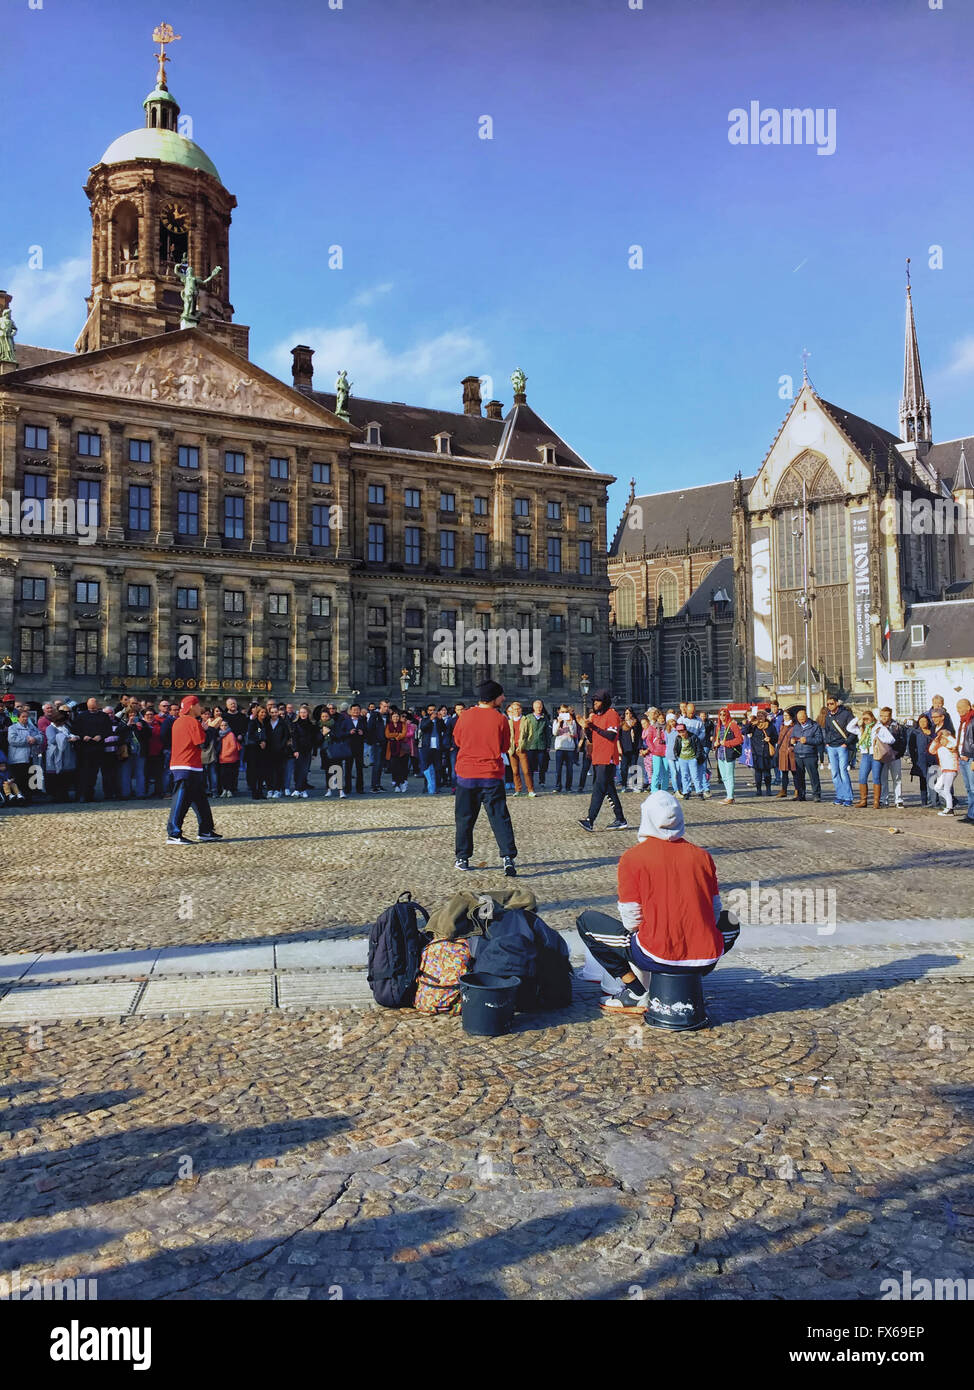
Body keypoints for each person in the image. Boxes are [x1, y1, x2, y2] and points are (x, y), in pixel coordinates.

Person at [576, 791, 736, 1016]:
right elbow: (716, 912)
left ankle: (635, 992)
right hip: (705, 958)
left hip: (655, 955)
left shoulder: (633, 858)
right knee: (732, 920)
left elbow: (632, 921)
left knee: (586, 922)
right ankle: (689, 979)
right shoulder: (702, 856)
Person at [452, 679, 518, 876]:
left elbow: (457, 740)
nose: (504, 698)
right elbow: (505, 746)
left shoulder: (464, 716)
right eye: (501, 695)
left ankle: (462, 857)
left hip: (467, 775)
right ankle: (508, 857)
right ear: (493, 698)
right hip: (491, 775)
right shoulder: (500, 719)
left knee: (464, 818)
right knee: (499, 817)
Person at [166, 696, 222, 845]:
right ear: (192, 707)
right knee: (181, 799)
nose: (200, 708)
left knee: (200, 800)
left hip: (189, 765)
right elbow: (203, 744)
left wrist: (205, 729)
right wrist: (212, 729)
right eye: (198, 705)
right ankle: (174, 833)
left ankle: (205, 830)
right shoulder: (190, 721)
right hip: (186, 765)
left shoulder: (180, 721)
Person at [578, 689, 629, 832]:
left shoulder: (611, 714)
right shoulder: (594, 716)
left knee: (598, 788)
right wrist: (586, 728)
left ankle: (590, 820)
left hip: (608, 758)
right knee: (609, 789)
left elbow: (611, 736)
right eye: (594, 701)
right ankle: (620, 819)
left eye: (598, 701)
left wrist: (592, 726)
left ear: (605, 702)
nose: (595, 703)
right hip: (597, 756)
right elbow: (592, 737)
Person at [822, 694, 857, 808]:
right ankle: (840, 795)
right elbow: (826, 730)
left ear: (836, 703)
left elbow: (853, 730)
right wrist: (826, 742)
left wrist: (845, 743)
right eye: (827, 704)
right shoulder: (828, 716)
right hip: (831, 746)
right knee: (834, 773)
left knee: (843, 772)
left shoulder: (846, 714)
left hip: (842, 746)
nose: (829, 706)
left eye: (831, 703)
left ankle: (848, 797)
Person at [854, 709, 893, 809]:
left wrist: (880, 738)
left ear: (872, 718)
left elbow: (892, 739)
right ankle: (863, 800)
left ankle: (876, 801)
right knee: (862, 777)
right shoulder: (862, 728)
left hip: (876, 755)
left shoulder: (879, 727)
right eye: (864, 719)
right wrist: (858, 719)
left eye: (868, 718)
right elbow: (849, 727)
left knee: (876, 778)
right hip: (865, 755)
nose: (866, 721)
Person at [877, 707, 908, 808]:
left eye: (886, 716)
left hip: (895, 756)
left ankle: (898, 799)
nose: (884, 718)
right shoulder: (877, 726)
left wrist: (899, 753)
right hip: (882, 756)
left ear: (890, 716)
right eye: (882, 716)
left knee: (897, 778)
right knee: (883, 779)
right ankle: (884, 799)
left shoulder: (897, 726)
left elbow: (903, 740)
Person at [792, 706, 824, 801]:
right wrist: (792, 740)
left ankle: (816, 794)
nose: (801, 721)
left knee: (813, 776)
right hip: (798, 753)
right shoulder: (796, 726)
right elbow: (793, 736)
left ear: (806, 716)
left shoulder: (815, 726)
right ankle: (801, 794)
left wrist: (807, 740)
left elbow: (819, 740)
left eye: (802, 719)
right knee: (799, 777)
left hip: (810, 754)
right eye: (799, 719)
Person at [712, 707, 743, 803]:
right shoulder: (718, 726)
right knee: (724, 776)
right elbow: (715, 739)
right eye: (720, 714)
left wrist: (726, 743)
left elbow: (740, 739)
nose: (722, 716)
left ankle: (730, 797)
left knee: (729, 776)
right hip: (720, 754)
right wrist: (715, 744)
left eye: (724, 714)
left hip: (729, 754)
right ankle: (728, 795)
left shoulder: (733, 725)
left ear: (728, 715)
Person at [907, 714, 937, 809]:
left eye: (925, 721)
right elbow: (911, 747)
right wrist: (913, 759)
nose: (923, 723)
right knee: (923, 780)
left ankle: (934, 801)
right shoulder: (915, 732)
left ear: (928, 722)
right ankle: (924, 801)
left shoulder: (933, 732)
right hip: (920, 759)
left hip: (933, 759)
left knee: (933, 780)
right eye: (921, 721)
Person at [506, 701, 534, 797]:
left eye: (518, 709)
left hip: (522, 748)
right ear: (511, 711)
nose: (516, 711)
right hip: (512, 748)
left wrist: (526, 745)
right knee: (515, 771)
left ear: (521, 709)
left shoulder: (526, 720)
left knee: (526, 770)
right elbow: (506, 735)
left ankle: (530, 789)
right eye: (514, 709)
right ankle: (518, 789)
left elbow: (530, 735)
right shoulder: (509, 722)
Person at [930, 727, 959, 816]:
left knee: (946, 789)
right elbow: (931, 750)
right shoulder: (939, 747)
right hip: (944, 771)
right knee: (937, 787)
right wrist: (936, 738)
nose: (942, 740)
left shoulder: (951, 746)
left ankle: (949, 808)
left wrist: (948, 735)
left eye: (943, 738)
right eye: (941, 739)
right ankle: (950, 800)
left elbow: (955, 743)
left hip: (951, 770)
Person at [418, 704, 446, 795]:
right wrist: (430, 720)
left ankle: (437, 786)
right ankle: (426, 786)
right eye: (430, 710)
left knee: (438, 767)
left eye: (434, 710)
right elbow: (423, 728)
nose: (432, 712)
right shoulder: (425, 719)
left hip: (437, 746)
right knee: (427, 767)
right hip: (427, 746)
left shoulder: (438, 720)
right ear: (427, 711)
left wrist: (441, 719)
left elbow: (444, 729)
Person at [552, 705, 578, 791]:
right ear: (559, 712)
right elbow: (554, 733)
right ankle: (558, 786)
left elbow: (574, 733)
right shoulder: (556, 721)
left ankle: (568, 786)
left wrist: (570, 724)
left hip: (569, 748)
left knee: (569, 769)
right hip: (560, 747)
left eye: (565, 712)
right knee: (558, 769)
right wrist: (559, 723)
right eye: (562, 712)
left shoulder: (572, 721)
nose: (563, 714)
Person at [246, 705, 270, 800]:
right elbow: (251, 735)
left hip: (262, 751)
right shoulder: (253, 723)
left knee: (261, 772)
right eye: (261, 712)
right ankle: (254, 792)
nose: (263, 714)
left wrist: (264, 741)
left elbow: (263, 734)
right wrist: (259, 741)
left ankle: (260, 791)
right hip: (254, 750)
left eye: (264, 712)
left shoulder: (264, 723)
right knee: (254, 772)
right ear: (258, 713)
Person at [957, 698, 974, 825]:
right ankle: (971, 814)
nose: (958, 710)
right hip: (962, 758)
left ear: (968, 707)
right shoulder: (963, 721)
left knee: (973, 788)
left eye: (961, 707)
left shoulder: (972, 721)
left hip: (971, 758)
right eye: (957, 708)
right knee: (968, 788)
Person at [385, 710, 410, 791]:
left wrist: (396, 737)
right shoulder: (389, 725)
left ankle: (401, 782)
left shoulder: (403, 724)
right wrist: (397, 735)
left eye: (397, 716)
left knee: (402, 766)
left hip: (401, 749)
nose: (395, 718)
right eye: (394, 716)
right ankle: (396, 783)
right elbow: (387, 735)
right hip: (391, 748)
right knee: (394, 766)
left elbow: (404, 734)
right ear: (391, 718)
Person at [217, 718, 241, 797]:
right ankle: (225, 789)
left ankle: (229, 790)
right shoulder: (220, 734)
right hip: (222, 759)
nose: (223, 727)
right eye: (222, 725)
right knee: (223, 775)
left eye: (225, 725)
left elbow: (233, 746)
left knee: (230, 775)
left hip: (229, 758)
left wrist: (225, 754)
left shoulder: (230, 734)